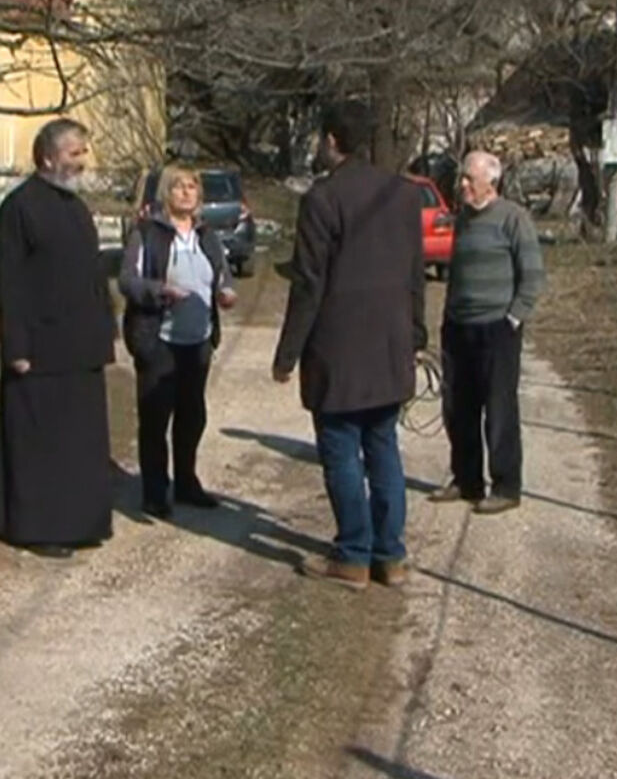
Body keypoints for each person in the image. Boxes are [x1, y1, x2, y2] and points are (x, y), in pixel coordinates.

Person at [272, 100, 427, 591]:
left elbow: (308, 284)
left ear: (331, 140)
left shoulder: (323, 199)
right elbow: (415, 273)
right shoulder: (405, 194)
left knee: (341, 451)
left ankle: (354, 555)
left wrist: (287, 354)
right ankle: (391, 556)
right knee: (383, 448)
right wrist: (416, 333)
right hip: (390, 344)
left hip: (337, 348)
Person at [0, 118, 117, 555]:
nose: (82, 161)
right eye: (74, 153)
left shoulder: (75, 208)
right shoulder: (20, 208)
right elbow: (9, 283)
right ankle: (39, 528)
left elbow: (88, 272)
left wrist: (106, 328)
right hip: (40, 349)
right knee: (41, 444)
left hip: (80, 348)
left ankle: (80, 522)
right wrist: (16, 346)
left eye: (83, 152)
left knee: (79, 444)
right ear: (46, 157)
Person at [429, 150, 546, 514]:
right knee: (458, 408)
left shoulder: (513, 218)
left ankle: (506, 486)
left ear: (491, 182)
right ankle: (467, 479)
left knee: (499, 409)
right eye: (462, 177)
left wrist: (513, 318)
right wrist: (448, 317)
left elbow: (532, 276)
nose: (462, 184)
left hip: (497, 329)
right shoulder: (464, 219)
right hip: (459, 328)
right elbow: (457, 274)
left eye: (470, 178)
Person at [119, 164, 238, 519]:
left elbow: (222, 275)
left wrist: (226, 292)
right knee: (156, 418)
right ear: (165, 194)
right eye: (179, 187)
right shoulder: (147, 233)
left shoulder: (207, 235)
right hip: (159, 341)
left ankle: (186, 483)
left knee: (192, 417)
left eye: (192, 187)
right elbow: (127, 280)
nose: (187, 193)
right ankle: (155, 492)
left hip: (198, 341)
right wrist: (159, 290)